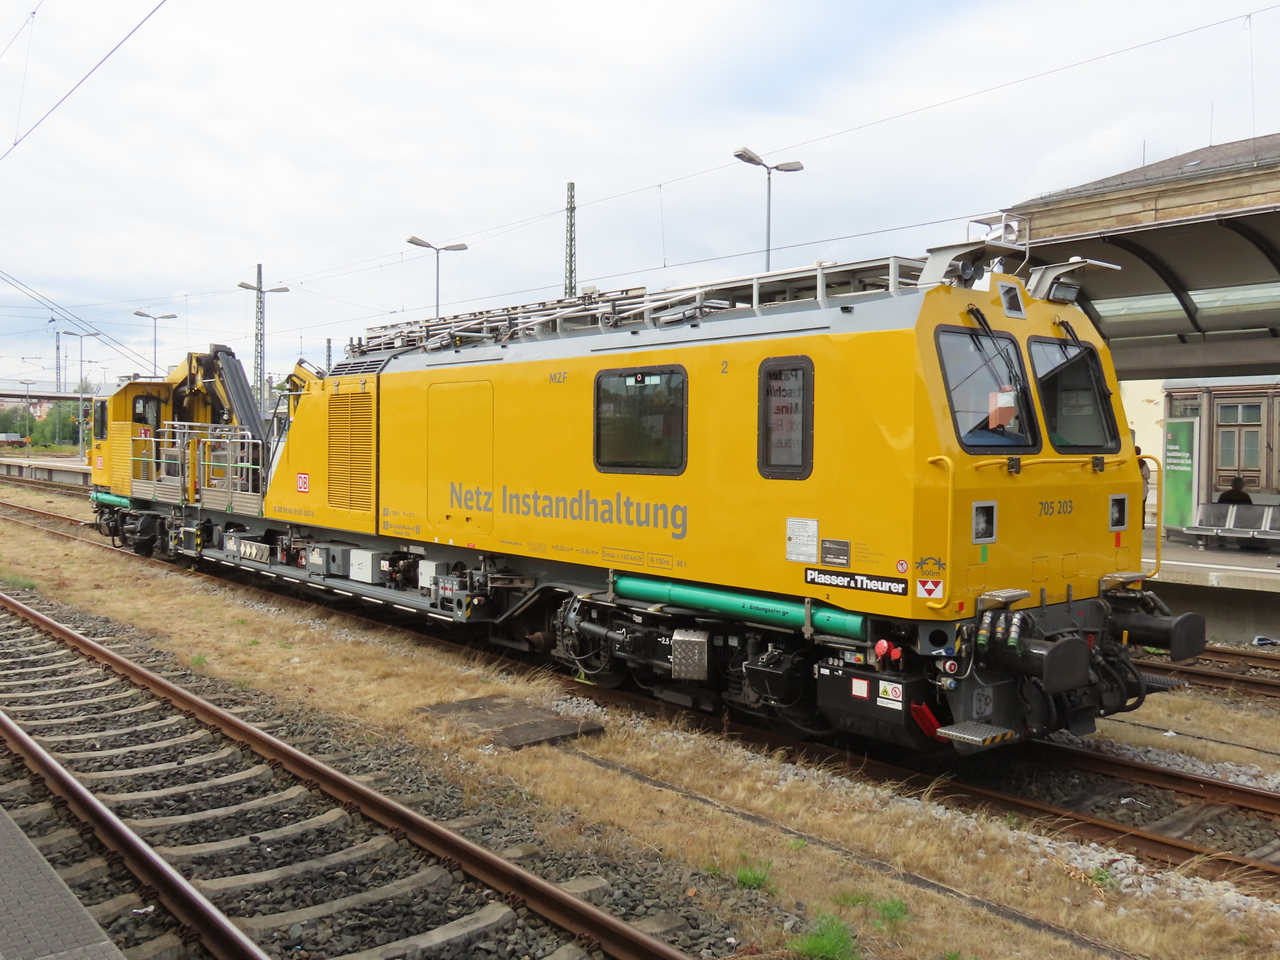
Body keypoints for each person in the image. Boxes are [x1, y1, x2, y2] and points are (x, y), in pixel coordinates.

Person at [1136, 446, 1150, 526]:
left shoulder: (1129, 461)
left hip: (1132, 488)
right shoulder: (1143, 463)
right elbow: (1147, 475)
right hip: (1142, 486)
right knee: (1142, 506)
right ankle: (1141, 524)